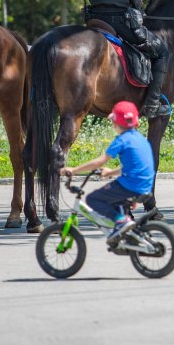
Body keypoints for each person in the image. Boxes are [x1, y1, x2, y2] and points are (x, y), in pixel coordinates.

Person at [82, 0, 170, 118]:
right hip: (120, 22)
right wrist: (140, 12)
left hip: (95, 20)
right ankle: (153, 105)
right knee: (162, 51)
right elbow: (136, 0)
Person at [60, 101, 155, 243]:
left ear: (115, 122)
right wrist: (111, 173)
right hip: (144, 185)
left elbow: (100, 161)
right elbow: (134, 166)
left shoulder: (122, 140)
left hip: (131, 185)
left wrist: (74, 170)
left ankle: (121, 221)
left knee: (93, 199)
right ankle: (125, 233)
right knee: (115, 202)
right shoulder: (141, 140)